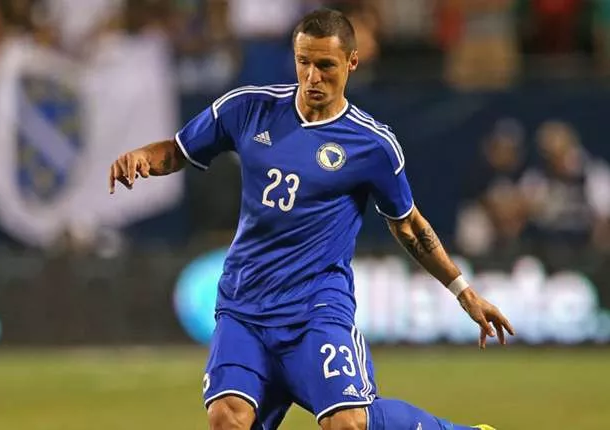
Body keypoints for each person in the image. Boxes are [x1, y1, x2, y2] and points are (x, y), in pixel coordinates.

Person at [109, 8, 514, 430]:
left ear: (351, 62)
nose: (312, 77)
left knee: (348, 423)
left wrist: (464, 292)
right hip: (244, 308)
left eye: (325, 65)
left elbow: (409, 226)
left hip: (315, 310)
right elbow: (178, 150)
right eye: (304, 62)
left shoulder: (371, 144)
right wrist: (143, 158)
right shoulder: (249, 108)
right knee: (227, 419)